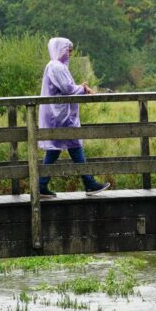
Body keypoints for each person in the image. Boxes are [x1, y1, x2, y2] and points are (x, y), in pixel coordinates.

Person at [37, 37, 110, 198]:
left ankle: (41, 185)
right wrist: (83, 89)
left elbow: (67, 88)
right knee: (72, 145)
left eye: (70, 50)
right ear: (59, 50)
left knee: (56, 148)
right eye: (67, 50)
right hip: (60, 115)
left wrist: (80, 87)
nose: (70, 54)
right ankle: (89, 183)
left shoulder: (56, 66)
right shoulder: (56, 67)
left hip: (59, 114)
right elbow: (68, 89)